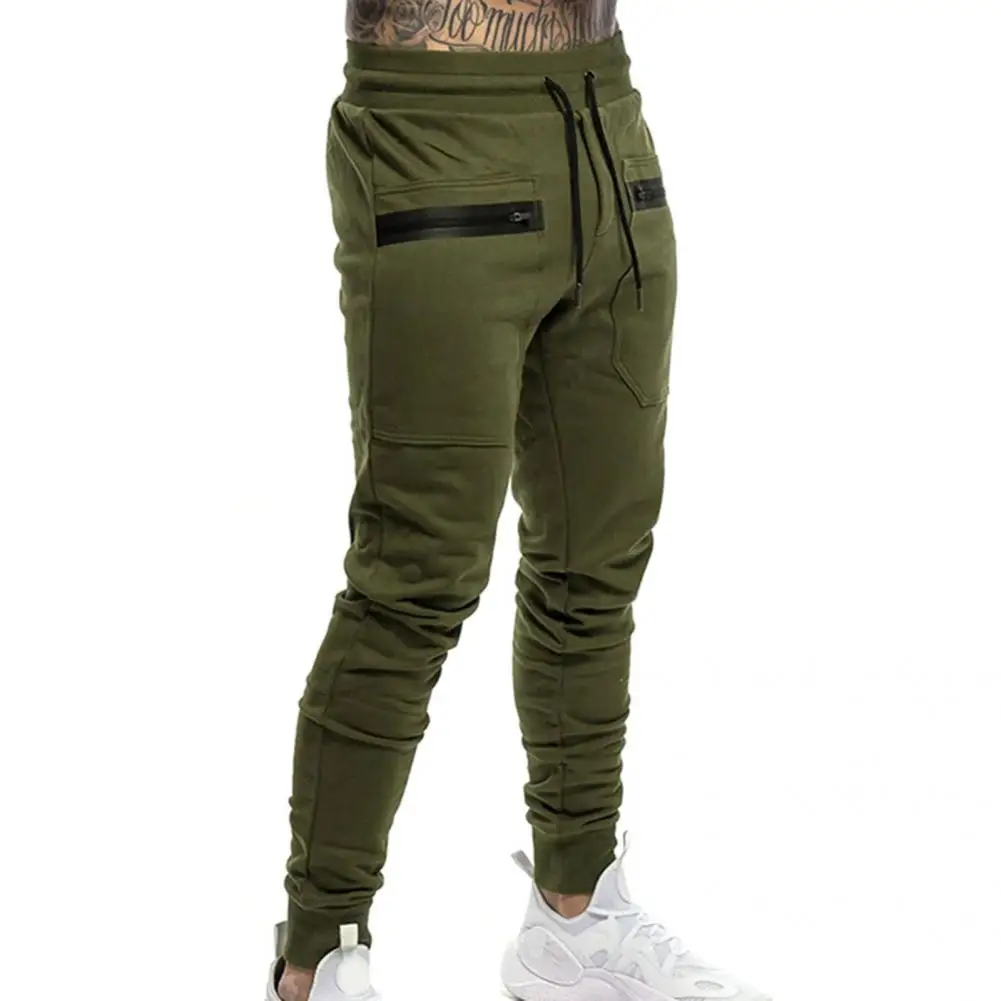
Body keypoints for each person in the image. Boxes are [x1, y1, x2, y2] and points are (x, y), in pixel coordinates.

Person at [268, 3, 768, 1000]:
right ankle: (316, 959)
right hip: (436, 134)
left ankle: (572, 923)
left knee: (595, 565)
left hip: (607, 124)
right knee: (415, 578)